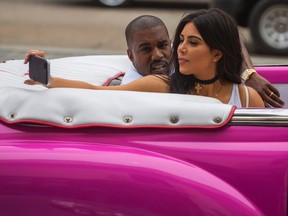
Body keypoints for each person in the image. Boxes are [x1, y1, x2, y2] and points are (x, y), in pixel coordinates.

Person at [24, 13, 283, 107]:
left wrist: (250, 74)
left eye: (192, 43)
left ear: (217, 53)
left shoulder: (248, 98)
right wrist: (47, 78)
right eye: (180, 40)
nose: (179, 49)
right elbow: (97, 93)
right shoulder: (161, 84)